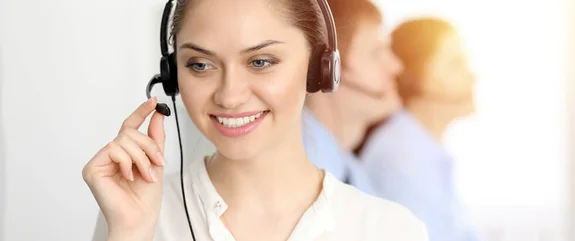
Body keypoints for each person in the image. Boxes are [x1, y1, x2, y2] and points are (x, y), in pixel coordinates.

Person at [82, 0, 428, 240]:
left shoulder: (390, 231)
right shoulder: (137, 215)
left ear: (318, 68)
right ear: (172, 76)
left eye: (261, 61)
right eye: (200, 65)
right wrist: (131, 235)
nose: (229, 96)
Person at [358, 17, 479, 241]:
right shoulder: (403, 157)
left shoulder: (423, 152)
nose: (472, 76)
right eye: (455, 64)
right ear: (415, 78)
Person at [303, 0, 402, 195]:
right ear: (326, 69)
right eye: (375, 54)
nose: (396, 66)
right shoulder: (296, 169)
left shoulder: (351, 171)